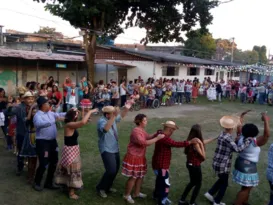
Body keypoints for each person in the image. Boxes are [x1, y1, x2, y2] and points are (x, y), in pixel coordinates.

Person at [204, 113, 253, 205]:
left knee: (221, 180)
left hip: (217, 162)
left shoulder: (222, 134)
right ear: (232, 128)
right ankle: (217, 201)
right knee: (224, 184)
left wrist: (235, 140)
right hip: (223, 165)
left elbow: (229, 146)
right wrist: (247, 141)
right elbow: (238, 149)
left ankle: (210, 193)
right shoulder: (228, 138)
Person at [152, 121, 202, 205]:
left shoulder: (159, 133)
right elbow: (175, 144)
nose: (172, 132)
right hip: (161, 166)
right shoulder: (164, 138)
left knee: (159, 181)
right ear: (169, 129)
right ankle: (162, 201)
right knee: (165, 185)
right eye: (172, 130)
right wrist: (190, 142)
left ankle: (156, 195)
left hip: (158, 164)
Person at [55, 107, 98, 199]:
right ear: (73, 116)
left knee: (69, 169)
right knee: (72, 171)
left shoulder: (71, 123)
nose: (77, 116)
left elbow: (83, 121)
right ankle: (71, 193)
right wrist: (90, 111)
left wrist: (81, 112)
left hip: (72, 150)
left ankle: (66, 186)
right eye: (76, 115)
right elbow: (82, 122)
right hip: (70, 151)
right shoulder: (69, 124)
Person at [122, 114, 165, 204]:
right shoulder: (136, 131)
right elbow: (144, 143)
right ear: (140, 122)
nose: (146, 122)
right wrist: (157, 138)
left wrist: (156, 134)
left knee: (140, 176)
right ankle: (126, 195)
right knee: (133, 177)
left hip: (140, 157)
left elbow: (148, 137)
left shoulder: (141, 130)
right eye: (145, 120)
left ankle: (136, 193)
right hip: (133, 157)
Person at [233, 113, 270, 205]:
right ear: (255, 132)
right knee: (247, 188)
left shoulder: (241, 137)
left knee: (246, 186)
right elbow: (266, 135)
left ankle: (244, 202)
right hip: (248, 167)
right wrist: (266, 120)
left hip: (240, 163)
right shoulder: (254, 142)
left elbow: (239, 126)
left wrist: (241, 117)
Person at [96, 104, 131, 198]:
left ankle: (107, 187)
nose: (114, 115)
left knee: (115, 170)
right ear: (107, 115)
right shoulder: (102, 121)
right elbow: (105, 129)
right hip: (106, 148)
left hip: (114, 147)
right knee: (111, 170)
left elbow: (122, 116)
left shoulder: (112, 118)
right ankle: (101, 188)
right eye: (112, 114)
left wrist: (127, 107)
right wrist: (114, 116)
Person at [33, 96, 66, 191]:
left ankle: (49, 182)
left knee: (54, 162)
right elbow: (38, 124)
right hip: (43, 142)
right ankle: (37, 182)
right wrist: (51, 122)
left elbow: (60, 114)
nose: (49, 105)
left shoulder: (51, 113)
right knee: (43, 163)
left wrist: (70, 113)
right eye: (47, 103)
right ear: (42, 105)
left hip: (52, 142)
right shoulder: (37, 116)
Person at [179, 124, 217, 205]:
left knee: (192, 182)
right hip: (195, 165)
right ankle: (192, 203)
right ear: (199, 132)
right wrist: (202, 146)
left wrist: (214, 138)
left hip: (189, 164)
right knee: (198, 184)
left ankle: (182, 200)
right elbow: (203, 156)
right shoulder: (196, 143)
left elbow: (203, 142)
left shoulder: (191, 139)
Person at [6, 91, 35, 176]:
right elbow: (9, 113)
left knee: (32, 152)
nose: (30, 100)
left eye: (32, 98)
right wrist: (10, 105)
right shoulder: (19, 107)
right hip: (22, 133)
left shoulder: (34, 107)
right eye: (28, 98)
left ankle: (31, 169)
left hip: (32, 134)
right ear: (24, 99)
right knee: (21, 152)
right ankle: (20, 168)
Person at [19, 101, 38, 184]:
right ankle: (30, 176)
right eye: (33, 112)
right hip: (30, 139)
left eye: (35, 112)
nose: (35, 113)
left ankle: (32, 175)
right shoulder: (27, 119)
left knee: (34, 159)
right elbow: (28, 118)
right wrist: (31, 108)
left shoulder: (38, 119)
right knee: (31, 159)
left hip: (36, 139)